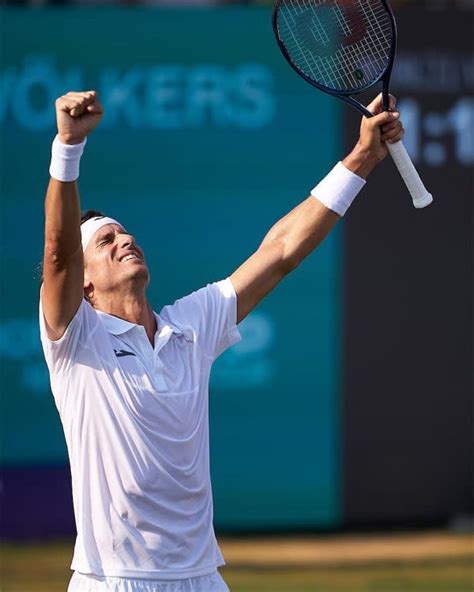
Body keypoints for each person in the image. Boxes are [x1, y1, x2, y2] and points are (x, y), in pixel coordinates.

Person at [40, 90, 403, 592]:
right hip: (113, 580)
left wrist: (362, 157)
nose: (125, 240)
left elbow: (280, 252)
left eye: (125, 233)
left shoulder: (189, 324)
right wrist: (67, 147)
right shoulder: (76, 339)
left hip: (202, 579)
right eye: (107, 241)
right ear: (85, 282)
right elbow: (58, 254)